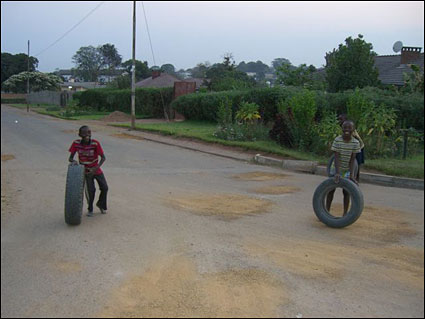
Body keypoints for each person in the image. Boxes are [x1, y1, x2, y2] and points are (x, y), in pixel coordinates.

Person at [68, 125, 108, 217]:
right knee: (91, 191)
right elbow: (70, 158)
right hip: (86, 171)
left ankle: (101, 204)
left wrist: (96, 168)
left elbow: (103, 158)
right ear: (80, 135)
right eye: (84, 134)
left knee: (105, 188)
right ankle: (90, 209)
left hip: (96, 169)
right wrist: (74, 162)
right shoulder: (76, 143)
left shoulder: (95, 144)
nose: (87, 136)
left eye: (89, 133)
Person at [326, 120, 361, 216]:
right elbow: (336, 157)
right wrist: (337, 173)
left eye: (349, 128)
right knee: (331, 189)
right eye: (345, 127)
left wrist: (352, 175)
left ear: (353, 130)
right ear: (342, 128)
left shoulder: (355, 143)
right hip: (336, 167)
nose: (347, 130)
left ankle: (345, 214)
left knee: (346, 192)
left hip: (347, 168)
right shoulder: (337, 140)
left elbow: (353, 160)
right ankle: (326, 212)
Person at [337, 114, 365, 182]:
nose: (339, 121)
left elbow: (355, 139)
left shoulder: (349, 127)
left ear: (345, 120)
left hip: (359, 147)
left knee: (357, 163)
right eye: (339, 119)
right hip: (351, 146)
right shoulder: (343, 126)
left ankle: (356, 178)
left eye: (341, 119)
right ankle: (350, 176)